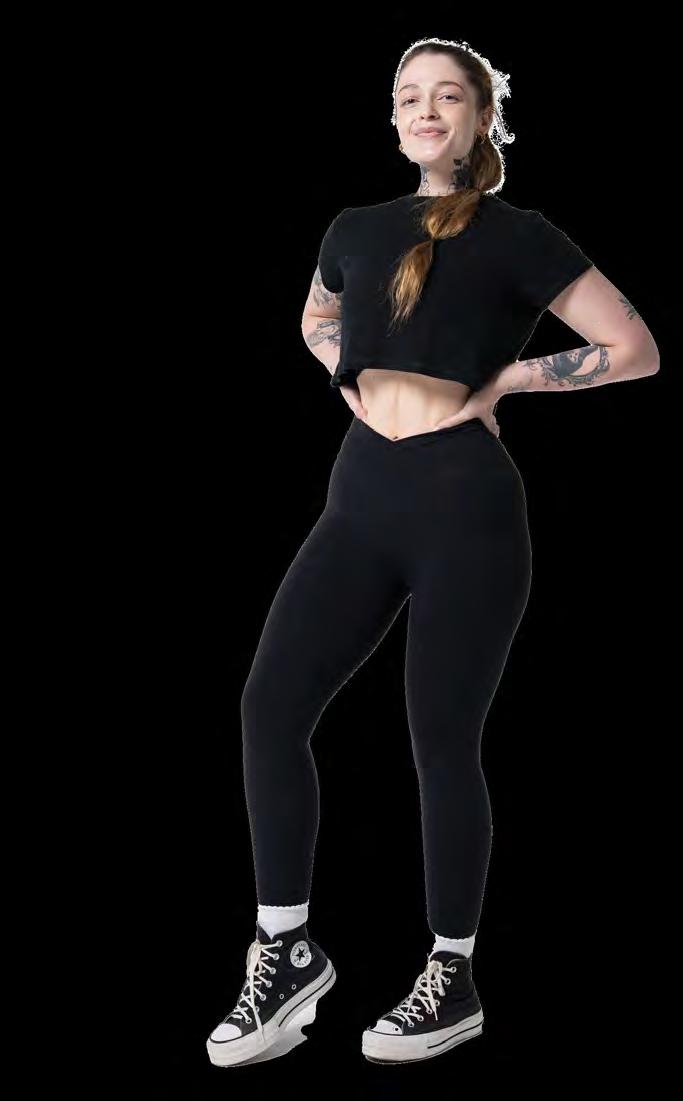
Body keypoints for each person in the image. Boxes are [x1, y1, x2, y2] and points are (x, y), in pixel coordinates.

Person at [206, 37, 660, 1069]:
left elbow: (633, 348)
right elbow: (316, 312)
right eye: (408, 95)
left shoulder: (518, 236)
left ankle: (449, 975)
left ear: (479, 119)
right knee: (269, 706)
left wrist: (506, 383)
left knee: (438, 739)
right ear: (392, 116)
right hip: (359, 495)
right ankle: (286, 951)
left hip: (465, 505)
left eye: (447, 96)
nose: (424, 109)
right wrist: (346, 374)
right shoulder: (353, 227)